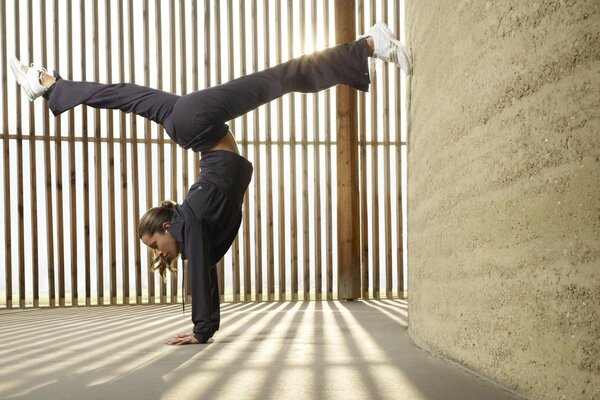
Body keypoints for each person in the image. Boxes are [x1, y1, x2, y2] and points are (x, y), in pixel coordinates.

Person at [10, 22, 411, 345]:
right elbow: (200, 262)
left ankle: (368, 45)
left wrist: (203, 330)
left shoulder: (188, 222)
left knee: (281, 77)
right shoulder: (191, 224)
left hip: (196, 123)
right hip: (189, 122)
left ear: (166, 227)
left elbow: (200, 270)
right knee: (125, 96)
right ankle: (47, 83)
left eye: (154, 244)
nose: (157, 252)